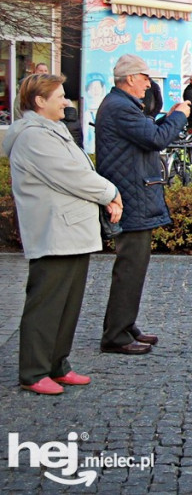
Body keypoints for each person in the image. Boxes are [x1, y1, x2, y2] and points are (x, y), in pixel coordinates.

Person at [3, 74, 122, 394]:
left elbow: (78, 172)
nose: (66, 102)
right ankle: (34, 371)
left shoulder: (50, 131)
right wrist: (110, 191)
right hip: (54, 230)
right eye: (60, 97)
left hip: (69, 230)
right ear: (40, 102)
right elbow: (71, 176)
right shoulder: (33, 137)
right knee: (47, 303)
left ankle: (57, 364)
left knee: (68, 304)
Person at [95, 54, 190, 355]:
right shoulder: (121, 108)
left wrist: (169, 117)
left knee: (133, 267)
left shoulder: (122, 106)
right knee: (131, 268)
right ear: (131, 78)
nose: (149, 84)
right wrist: (180, 116)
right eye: (145, 77)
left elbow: (147, 133)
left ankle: (124, 325)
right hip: (130, 197)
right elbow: (156, 139)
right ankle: (116, 335)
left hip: (133, 194)